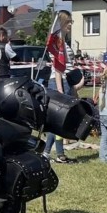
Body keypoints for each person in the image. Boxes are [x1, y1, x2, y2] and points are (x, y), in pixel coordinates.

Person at [43, 10, 75, 164]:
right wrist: (60, 89)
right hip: (59, 82)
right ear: (61, 22)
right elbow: (57, 67)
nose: (70, 25)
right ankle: (48, 153)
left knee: (59, 121)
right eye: (68, 22)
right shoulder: (58, 42)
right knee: (57, 121)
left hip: (64, 82)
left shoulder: (63, 41)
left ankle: (57, 153)